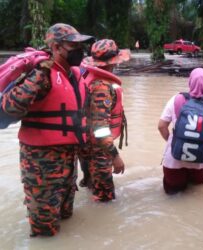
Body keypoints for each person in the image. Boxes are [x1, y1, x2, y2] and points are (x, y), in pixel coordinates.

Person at [1, 23, 94, 236]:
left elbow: (82, 121)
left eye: (81, 45)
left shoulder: (74, 75)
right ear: (57, 47)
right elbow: (10, 108)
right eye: (74, 44)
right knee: (45, 231)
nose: (80, 50)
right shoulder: (41, 75)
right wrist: (38, 74)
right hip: (41, 165)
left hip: (68, 163)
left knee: (67, 216)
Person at [158, 68, 203, 194]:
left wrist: (173, 142)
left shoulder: (176, 99)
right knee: (197, 194)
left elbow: (161, 126)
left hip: (174, 162)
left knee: (172, 197)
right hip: (200, 163)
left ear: (190, 82)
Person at [80, 39, 125, 202]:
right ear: (113, 62)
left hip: (88, 147)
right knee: (105, 199)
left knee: (93, 187)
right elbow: (100, 129)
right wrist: (115, 156)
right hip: (98, 150)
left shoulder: (90, 79)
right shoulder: (102, 88)